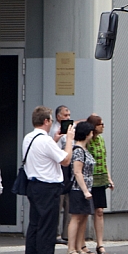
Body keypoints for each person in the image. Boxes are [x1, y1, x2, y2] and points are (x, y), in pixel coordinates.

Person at [22, 106, 75, 254]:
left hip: (33, 186)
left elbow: (43, 156)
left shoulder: (29, 138)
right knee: (47, 228)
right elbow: (65, 160)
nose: (52, 122)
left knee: (35, 226)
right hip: (48, 187)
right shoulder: (44, 141)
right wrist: (69, 140)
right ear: (45, 121)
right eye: (51, 119)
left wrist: (55, 139)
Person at [65, 122, 96, 254]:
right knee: (76, 217)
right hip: (78, 189)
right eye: (91, 132)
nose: (93, 134)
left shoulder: (84, 149)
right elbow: (77, 172)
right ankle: (71, 248)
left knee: (83, 217)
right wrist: (85, 191)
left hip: (85, 189)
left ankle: (78, 247)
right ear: (87, 133)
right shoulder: (78, 150)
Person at [86, 114, 113, 254]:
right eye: (100, 124)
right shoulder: (88, 141)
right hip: (90, 179)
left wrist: (108, 178)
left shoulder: (101, 140)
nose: (103, 126)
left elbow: (104, 160)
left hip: (101, 178)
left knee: (100, 211)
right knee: (85, 212)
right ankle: (82, 245)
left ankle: (100, 244)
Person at [49, 105, 71, 245]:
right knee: (58, 204)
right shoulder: (55, 131)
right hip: (60, 169)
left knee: (69, 204)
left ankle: (67, 234)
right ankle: (55, 233)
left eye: (69, 115)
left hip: (68, 170)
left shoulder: (68, 131)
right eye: (65, 115)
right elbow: (57, 154)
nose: (68, 118)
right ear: (58, 117)